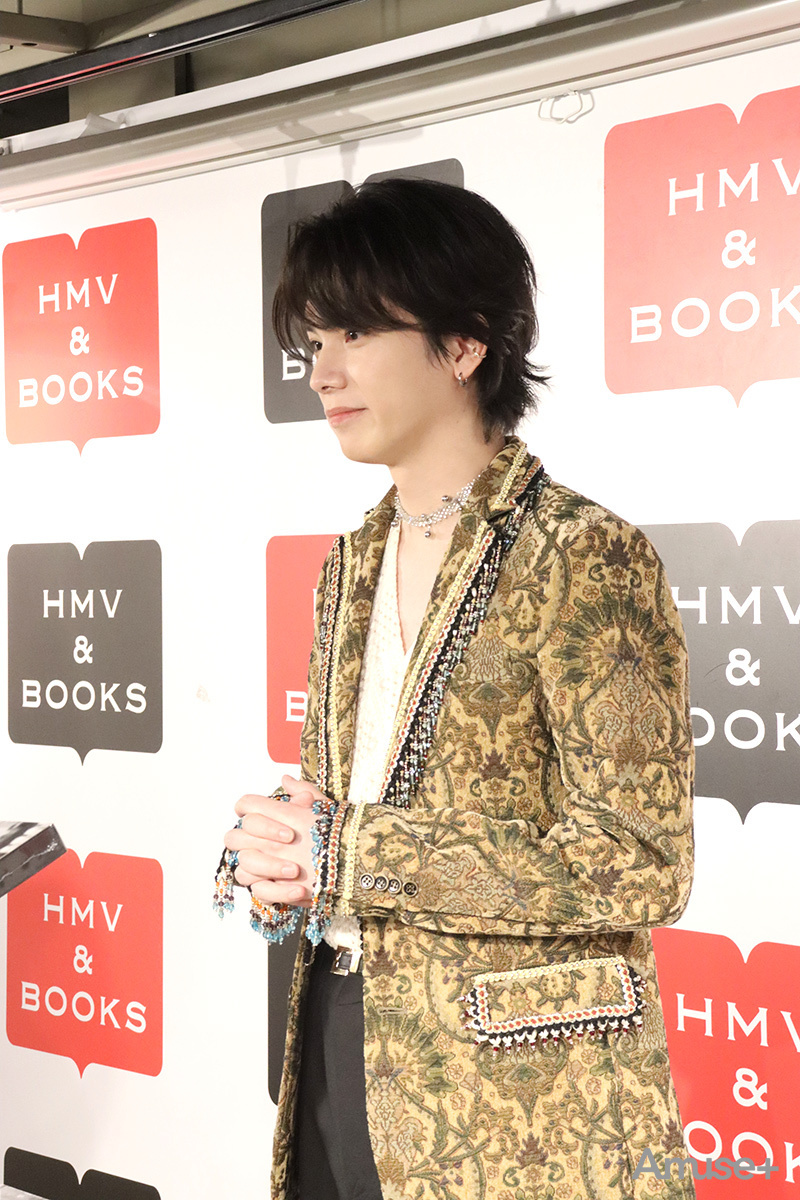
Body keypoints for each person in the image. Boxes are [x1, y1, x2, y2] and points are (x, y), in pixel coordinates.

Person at [218, 177, 695, 1200]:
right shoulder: (349, 564)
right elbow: (339, 816)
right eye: (314, 338)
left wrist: (353, 852)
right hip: (336, 1030)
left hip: (515, 1092)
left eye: (355, 332)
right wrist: (281, 861)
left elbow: (638, 863)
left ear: (465, 343)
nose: (321, 369)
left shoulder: (583, 555)